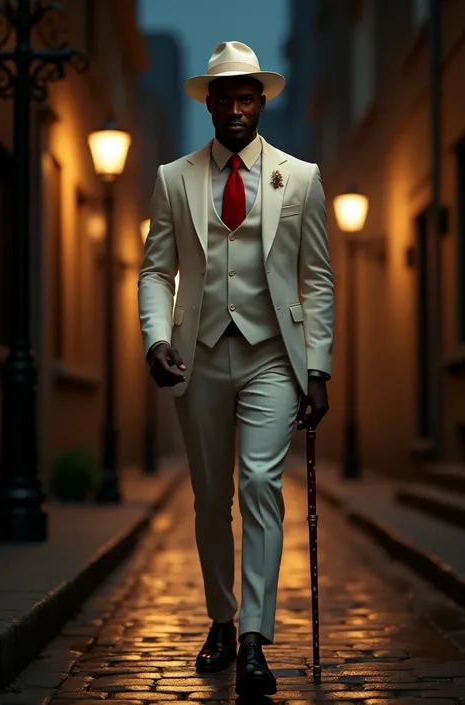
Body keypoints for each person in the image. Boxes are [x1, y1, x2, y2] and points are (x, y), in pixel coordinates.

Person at [138, 40, 334, 698]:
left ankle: (253, 636)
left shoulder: (299, 177)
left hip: (273, 356)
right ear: (210, 103)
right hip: (198, 355)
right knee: (209, 498)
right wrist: (155, 338)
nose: (236, 109)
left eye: (247, 96)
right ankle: (220, 618)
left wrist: (318, 367)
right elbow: (155, 270)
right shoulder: (175, 178)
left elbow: (317, 279)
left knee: (257, 484)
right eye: (224, 97)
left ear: (261, 102)